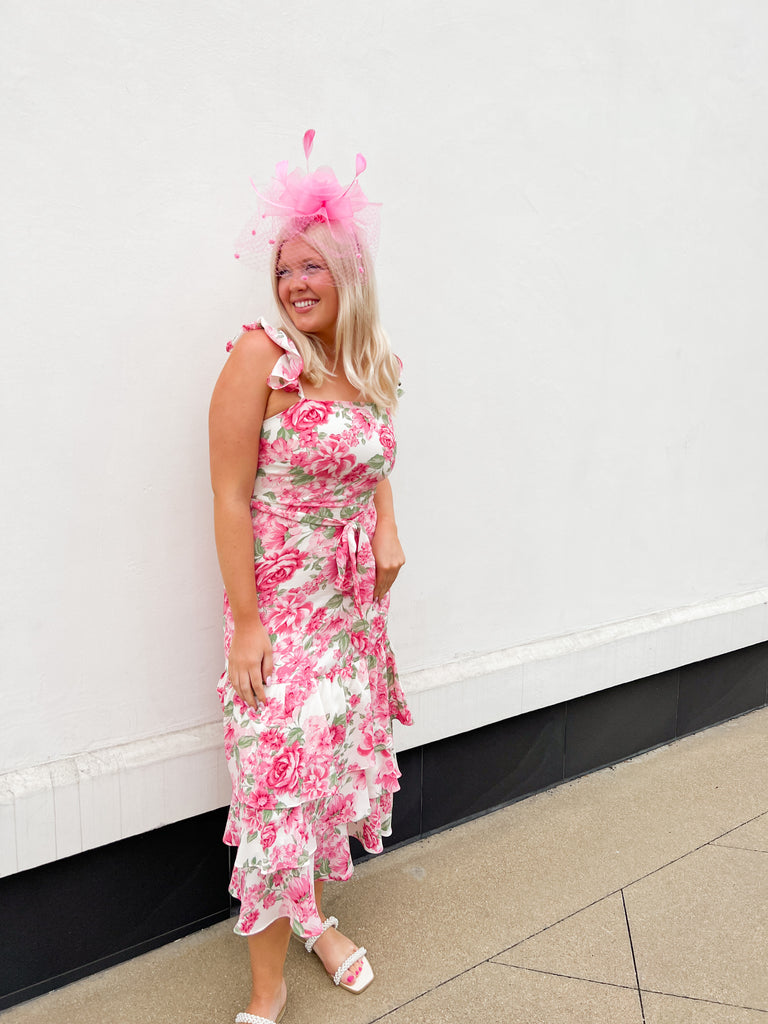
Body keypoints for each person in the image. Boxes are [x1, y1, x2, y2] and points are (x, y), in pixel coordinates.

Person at [209, 131, 412, 1024]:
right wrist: (247, 622)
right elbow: (225, 495)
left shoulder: (364, 365)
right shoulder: (263, 357)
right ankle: (268, 983)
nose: (296, 283)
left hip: (349, 619)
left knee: (325, 781)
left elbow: (374, 459)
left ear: (348, 276)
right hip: (282, 617)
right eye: (286, 268)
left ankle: (315, 918)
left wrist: (389, 533)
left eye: (314, 268)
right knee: (274, 791)